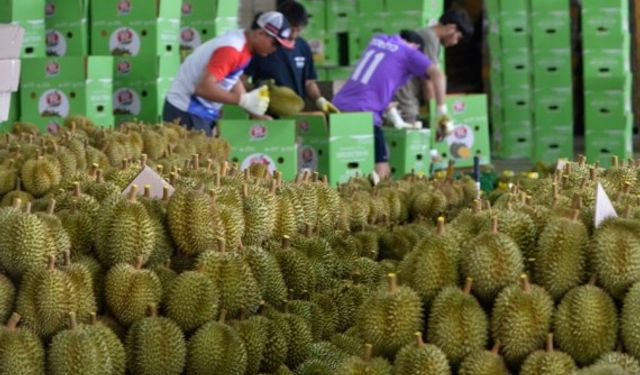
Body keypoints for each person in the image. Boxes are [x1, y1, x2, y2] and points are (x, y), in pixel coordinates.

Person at [332, 30, 450, 179]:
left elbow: (376, 84)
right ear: (416, 46)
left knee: (344, 163)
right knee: (383, 170)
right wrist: (442, 111)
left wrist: (395, 117)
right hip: (364, 113)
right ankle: (367, 200)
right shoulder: (409, 53)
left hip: (337, 107)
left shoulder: (378, 40)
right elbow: (437, 74)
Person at [163, 11, 294, 135]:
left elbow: (232, 78)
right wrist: (242, 100)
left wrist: (254, 111)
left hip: (197, 111)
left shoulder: (244, 45)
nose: (275, 49)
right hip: (186, 110)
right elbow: (203, 88)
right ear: (260, 33)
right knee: (197, 158)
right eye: (275, 43)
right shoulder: (232, 50)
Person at [243, 1, 338, 114]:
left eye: (298, 30)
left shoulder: (303, 46)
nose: (294, 35)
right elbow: (241, 80)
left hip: (296, 111)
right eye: (291, 30)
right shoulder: (264, 47)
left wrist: (320, 100)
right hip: (267, 115)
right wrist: (261, 92)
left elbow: (309, 82)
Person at [390, 9, 475, 127]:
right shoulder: (430, 38)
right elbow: (428, 83)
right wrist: (439, 116)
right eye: (458, 37)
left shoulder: (427, 35)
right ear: (452, 28)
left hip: (397, 98)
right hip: (405, 101)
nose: (455, 42)